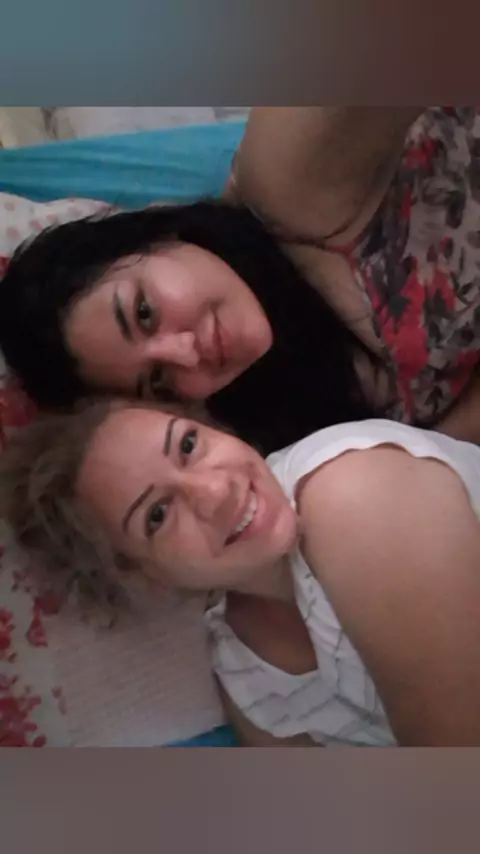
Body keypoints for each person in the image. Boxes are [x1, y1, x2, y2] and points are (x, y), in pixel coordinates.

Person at [4, 398, 480, 746]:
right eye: (158, 515)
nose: (216, 492)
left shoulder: (350, 493)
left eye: (189, 444)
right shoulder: (246, 679)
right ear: (145, 576)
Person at [1, 107, 480, 452]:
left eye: (144, 313)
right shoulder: (286, 409)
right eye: (159, 381)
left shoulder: (286, 181)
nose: (186, 354)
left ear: (152, 235)